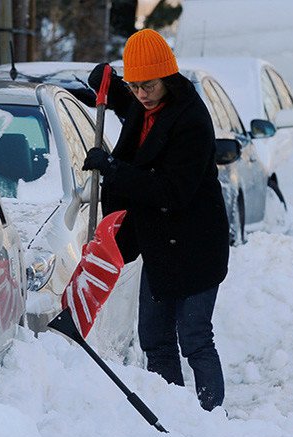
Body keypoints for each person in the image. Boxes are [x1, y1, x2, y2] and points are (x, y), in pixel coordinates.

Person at [82, 29, 230, 411]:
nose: (141, 95)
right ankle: (174, 414)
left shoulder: (191, 120)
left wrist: (114, 168)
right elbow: (121, 101)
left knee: (195, 337)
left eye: (147, 86)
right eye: (134, 87)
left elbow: (171, 191)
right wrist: (108, 82)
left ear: (167, 77)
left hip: (196, 245)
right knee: (154, 339)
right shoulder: (142, 103)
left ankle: (212, 420)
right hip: (160, 244)